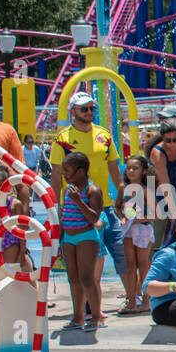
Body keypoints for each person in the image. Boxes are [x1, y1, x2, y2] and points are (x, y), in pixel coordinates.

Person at [50, 91, 126, 310]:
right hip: (76, 207)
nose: (90, 112)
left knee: (120, 252)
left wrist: (121, 195)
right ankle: (87, 306)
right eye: (84, 109)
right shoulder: (62, 139)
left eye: (92, 108)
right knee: (83, 259)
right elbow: (56, 175)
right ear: (73, 112)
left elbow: (114, 168)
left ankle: (134, 297)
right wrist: (56, 207)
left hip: (106, 206)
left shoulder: (104, 135)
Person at [57, 152, 104, 332]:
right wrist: (59, 239)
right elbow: (64, 216)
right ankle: (78, 317)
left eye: (67, 171)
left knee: (86, 278)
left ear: (80, 171)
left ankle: (96, 316)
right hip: (69, 237)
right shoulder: (67, 190)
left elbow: (94, 217)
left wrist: (78, 200)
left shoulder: (92, 190)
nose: (64, 175)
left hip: (86, 236)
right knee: (73, 278)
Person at [118, 156, 155, 314]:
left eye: (135, 168)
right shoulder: (123, 187)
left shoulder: (146, 189)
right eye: (129, 168)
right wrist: (122, 217)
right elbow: (118, 206)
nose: (131, 171)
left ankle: (146, 301)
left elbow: (156, 214)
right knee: (130, 265)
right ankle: (132, 300)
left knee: (143, 265)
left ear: (144, 171)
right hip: (128, 230)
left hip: (143, 229)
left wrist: (137, 219)